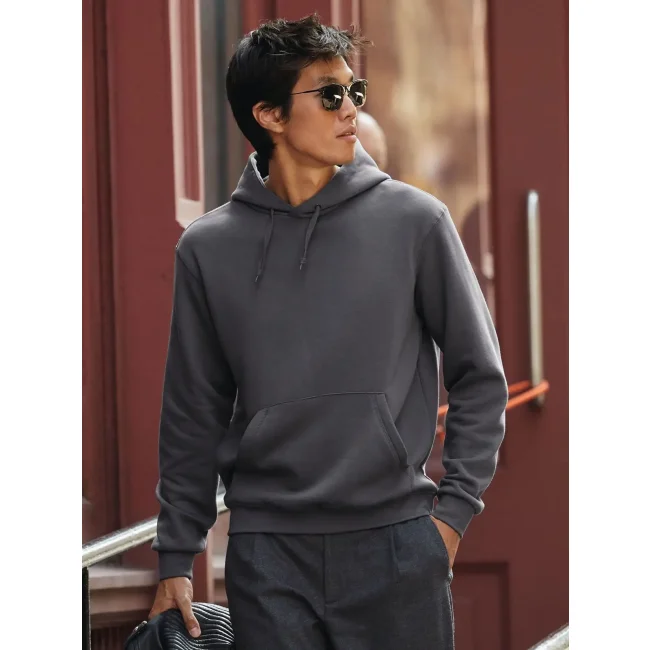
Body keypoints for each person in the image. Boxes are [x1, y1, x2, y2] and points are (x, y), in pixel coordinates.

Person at [148, 14, 507, 650]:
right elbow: (192, 411)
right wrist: (177, 553)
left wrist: (450, 518)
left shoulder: (416, 222)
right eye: (330, 94)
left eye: (354, 91)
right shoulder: (208, 249)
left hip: (396, 544)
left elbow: (479, 375)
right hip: (267, 555)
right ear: (270, 116)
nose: (350, 110)